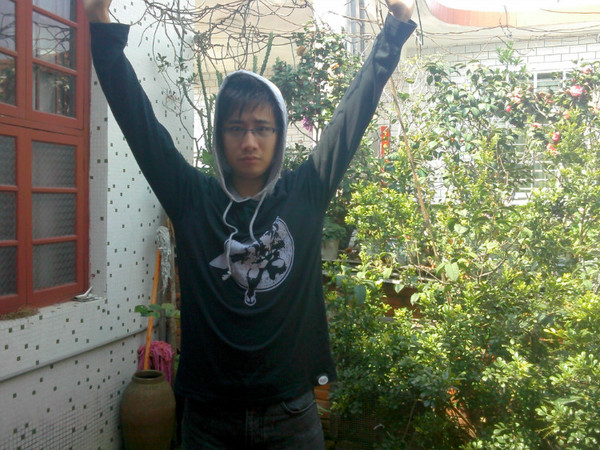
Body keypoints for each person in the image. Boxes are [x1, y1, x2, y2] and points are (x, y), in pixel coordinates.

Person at [83, 0, 416, 447]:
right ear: (220, 136)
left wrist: (395, 26)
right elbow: (139, 123)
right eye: (236, 128)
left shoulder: (306, 192)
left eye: (262, 128)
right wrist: (100, 25)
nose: (249, 141)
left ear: (279, 135)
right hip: (208, 421)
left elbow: (352, 115)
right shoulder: (191, 199)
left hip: (291, 417)